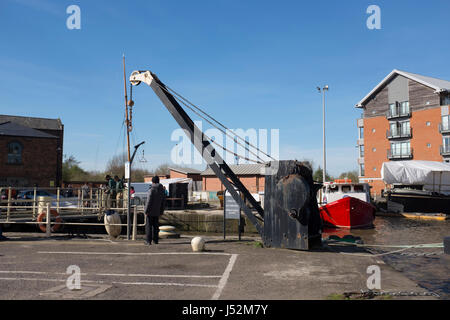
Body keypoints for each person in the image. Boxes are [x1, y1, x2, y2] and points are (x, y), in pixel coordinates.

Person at [143, 176, 166, 245]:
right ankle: (155, 240)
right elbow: (163, 201)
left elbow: (148, 201)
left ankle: (148, 241)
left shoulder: (151, 189)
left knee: (149, 226)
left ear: (152, 181)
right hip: (157, 211)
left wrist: (146, 211)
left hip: (150, 211)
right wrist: (161, 211)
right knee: (156, 226)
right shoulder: (162, 190)